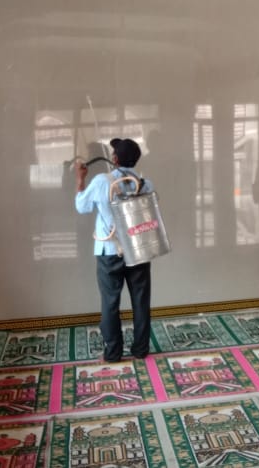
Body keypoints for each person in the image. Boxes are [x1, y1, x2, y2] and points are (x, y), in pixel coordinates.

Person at [75, 138, 154, 363]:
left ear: (115, 159)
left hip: (109, 251)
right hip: (138, 250)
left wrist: (80, 179)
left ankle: (113, 353)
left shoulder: (102, 181)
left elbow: (82, 206)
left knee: (110, 303)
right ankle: (140, 350)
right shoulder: (146, 184)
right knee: (141, 301)